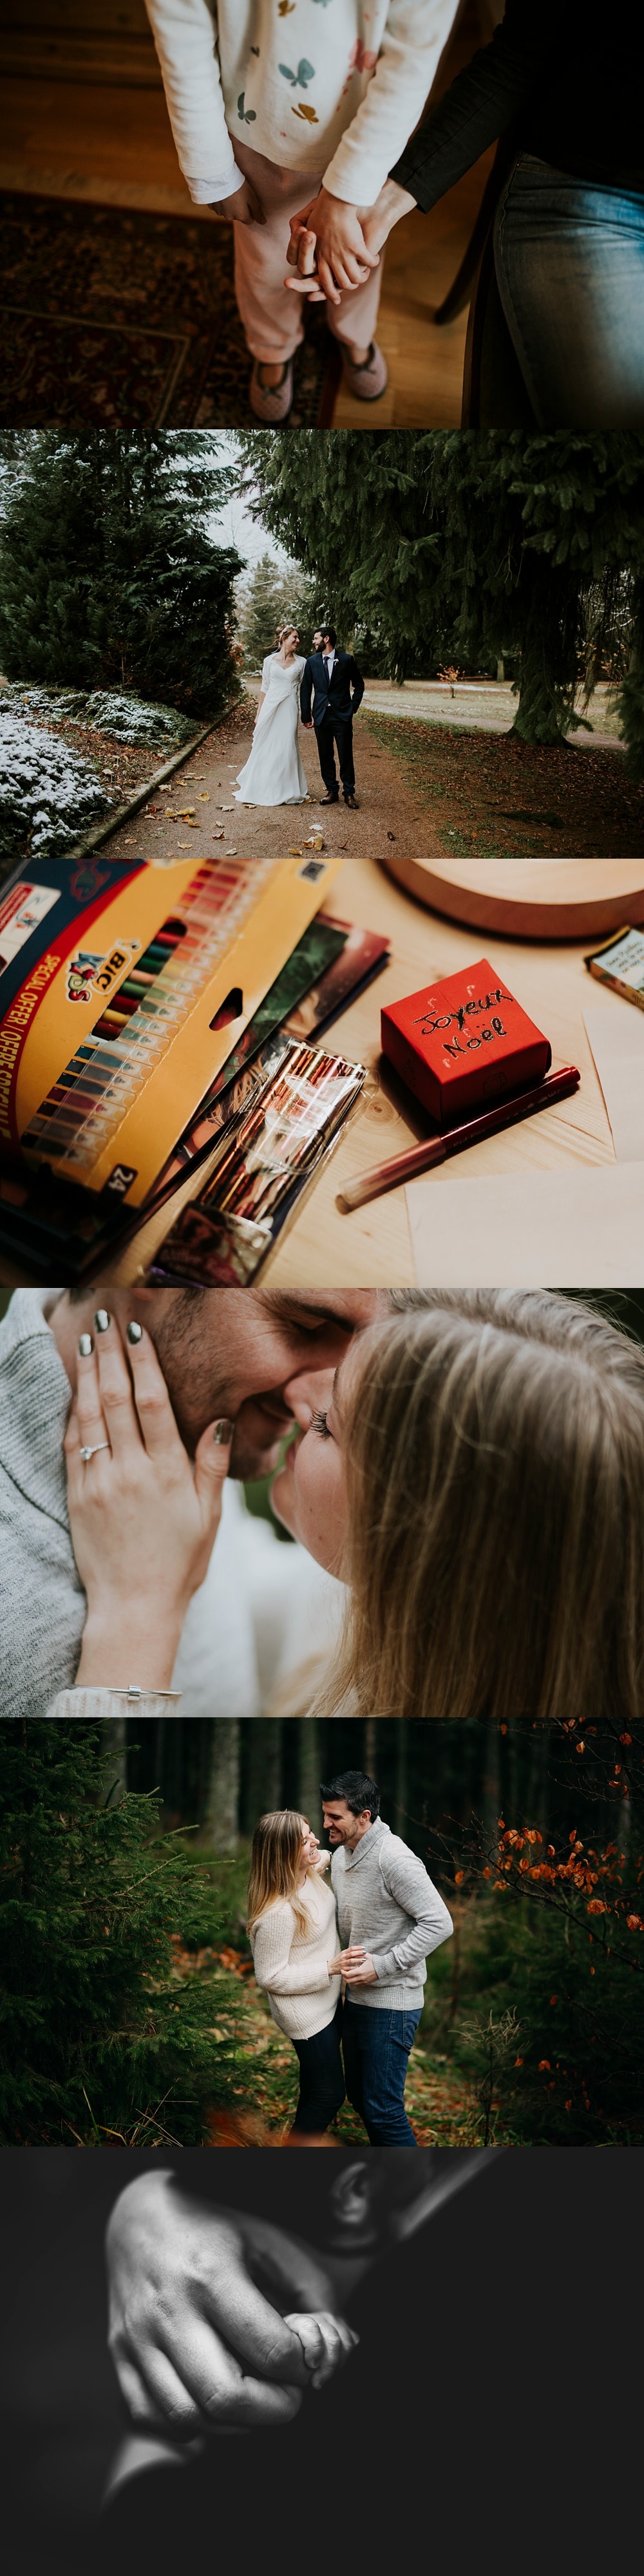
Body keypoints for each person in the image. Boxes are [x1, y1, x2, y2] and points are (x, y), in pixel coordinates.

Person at [39, 1287, 644, 1721]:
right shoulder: (360, 1624)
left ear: (421, 1537)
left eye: (328, 1422)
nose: (301, 1394)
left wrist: (138, 1612)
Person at [0, 1283, 380, 1721]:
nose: (331, 1388)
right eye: (304, 1326)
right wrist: (140, 1616)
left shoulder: (184, 1417)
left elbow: (243, 1592)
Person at [287, 0, 644, 426]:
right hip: (589, 189)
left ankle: (354, 340)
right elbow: (514, 57)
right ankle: (285, 353)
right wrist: (379, 204)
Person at [143, 0, 459, 421]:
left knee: (355, 259)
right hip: (257, 131)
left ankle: (355, 334)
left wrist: (349, 193)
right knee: (263, 264)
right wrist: (214, 169)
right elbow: (180, 33)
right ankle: (273, 347)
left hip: (368, 134)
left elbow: (415, 55)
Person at [323, 1770, 453, 2146]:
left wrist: (382, 1966)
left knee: (383, 2107)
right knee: (362, 2100)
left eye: (335, 1817)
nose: (326, 1823)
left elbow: (439, 1922)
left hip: (393, 2006)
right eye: (325, 1814)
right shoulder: (342, 1855)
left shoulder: (393, 1858)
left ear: (364, 1816)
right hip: (356, 2002)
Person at [247, 1811, 345, 2138]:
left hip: (327, 2000)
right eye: (305, 1840)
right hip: (306, 2016)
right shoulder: (279, 1912)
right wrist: (330, 1968)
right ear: (285, 1853)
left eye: (311, 1832)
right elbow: (270, 1977)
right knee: (329, 2096)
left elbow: (325, 1856)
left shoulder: (307, 1872)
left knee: (314, 2091)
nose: (316, 1840)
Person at [234, 626, 308, 807]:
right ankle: (263, 785)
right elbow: (264, 688)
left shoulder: (302, 663)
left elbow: (305, 689)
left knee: (287, 744)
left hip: (290, 706)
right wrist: (259, 713)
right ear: (284, 638)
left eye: (299, 638)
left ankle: (286, 788)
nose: (298, 641)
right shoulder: (269, 661)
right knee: (267, 744)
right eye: (294, 637)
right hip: (270, 707)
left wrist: (307, 713)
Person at [299, 627, 364, 808]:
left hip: (342, 715)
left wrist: (352, 707)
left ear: (326, 639)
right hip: (321, 716)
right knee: (325, 754)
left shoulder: (346, 660)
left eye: (316, 638)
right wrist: (306, 715)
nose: (313, 641)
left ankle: (349, 793)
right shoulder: (311, 662)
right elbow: (306, 690)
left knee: (346, 755)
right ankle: (332, 791)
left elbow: (359, 685)